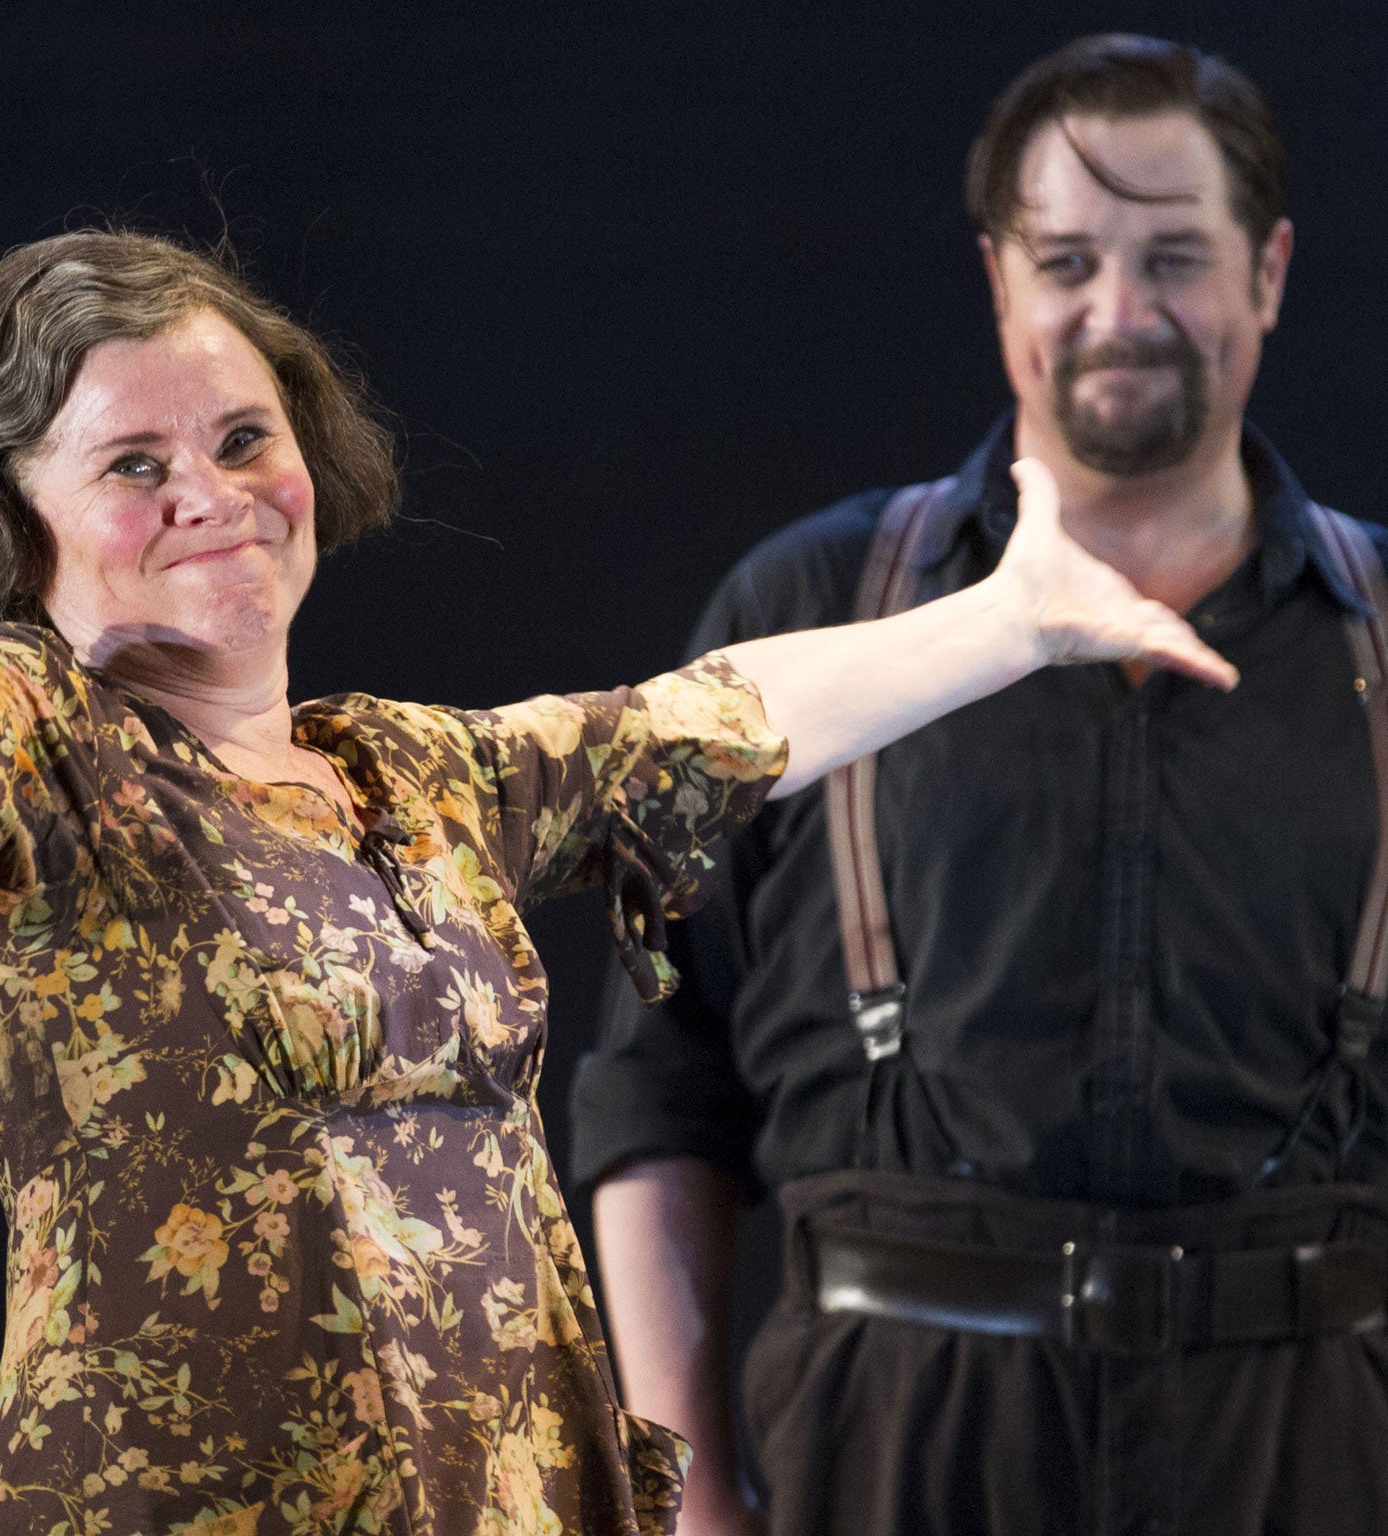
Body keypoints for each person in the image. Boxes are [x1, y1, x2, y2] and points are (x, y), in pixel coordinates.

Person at [0, 229, 1227, 1536]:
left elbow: (706, 720)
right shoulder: (32, 735)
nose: (211, 489)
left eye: (244, 437)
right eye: (132, 462)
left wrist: (1012, 619)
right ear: (11, 524)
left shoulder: (410, 773)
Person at [574, 33, 1388, 1536]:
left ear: (1269, 273)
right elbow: (658, 1085)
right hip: (895, 1450)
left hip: (1314, 1446)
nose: (1121, 313)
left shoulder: (1381, 640)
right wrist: (683, 1502)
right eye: (1068, 259)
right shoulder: (815, 610)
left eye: (1175, 257)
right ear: (998, 280)